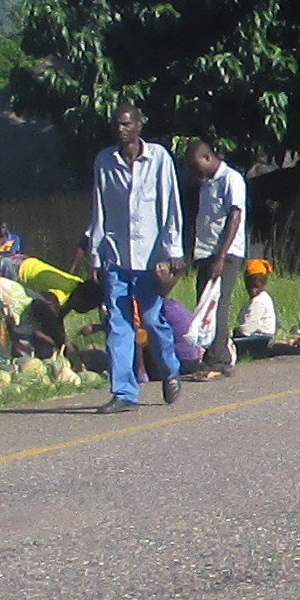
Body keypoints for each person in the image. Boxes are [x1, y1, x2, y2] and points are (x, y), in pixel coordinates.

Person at [86, 100, 190, 408]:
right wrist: (96, 254)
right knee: (117, 323)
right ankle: (123, 392)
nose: (121, 129)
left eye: (126, 123)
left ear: (138, 126)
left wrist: (173, 250)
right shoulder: (104, 161)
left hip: (150, 256)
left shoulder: (158, 158)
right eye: (117, 124)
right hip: (117, 255)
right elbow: (99, 209)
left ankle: (171, 370)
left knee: (150, 317)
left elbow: (171, 205)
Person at [174, 140, 247, 381]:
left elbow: (234, 217)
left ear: (207, 158)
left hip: (225, 254)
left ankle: (218, 361)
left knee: (218, 304)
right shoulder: (206, 184)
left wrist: (221, 256)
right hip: (205, 252)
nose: (195, 172)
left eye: (196, 166)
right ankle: (214, 355)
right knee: (204, 304)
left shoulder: (231, 179)